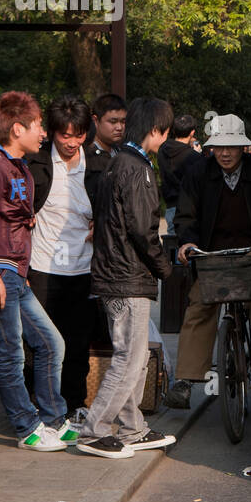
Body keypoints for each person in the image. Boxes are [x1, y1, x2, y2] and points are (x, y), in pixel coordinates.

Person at [0, 91, 74, 451]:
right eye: (39, 125)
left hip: (14, 274)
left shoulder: (20, 168)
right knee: (10, 352)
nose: (43, 132)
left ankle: (52, 419)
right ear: (17, 128)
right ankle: (27, 427)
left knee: (50, 343)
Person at [165, 114, 251, 410]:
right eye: (219, 147)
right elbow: (185, 215)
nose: (226, 153)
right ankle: (185, 379)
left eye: (232, 147)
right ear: (211, 148)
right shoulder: (198, 173)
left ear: (244, 147)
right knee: (200, 304)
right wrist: (188, 242)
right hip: (212, 254)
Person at [80, 97, 178, 458]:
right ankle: (94, 431)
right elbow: (142, 229)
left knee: (133, 357)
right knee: (129, 357)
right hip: (127, 276)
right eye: (163, 132)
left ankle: (134, 429)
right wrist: (164, 268)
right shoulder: (137, 167)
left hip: (115, 273)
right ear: (156, 130)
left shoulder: (117, 163)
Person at [27, 95, 100, 414]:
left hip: (83, 269)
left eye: (78, 134)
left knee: (77, 342)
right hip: (42, 268)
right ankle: (39, 404)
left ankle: (74, 404)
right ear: (53, 133)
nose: (71, 142)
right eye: (64, 135)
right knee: (39, 343)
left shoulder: (98, 164)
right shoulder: (36, 164)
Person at [159, 113, 203, 233]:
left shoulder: (162, 148)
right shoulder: (193, 156)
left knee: (172, 243)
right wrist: (198, 154)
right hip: (187, 207)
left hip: (170, 205)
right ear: (192, 132)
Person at [84, 93, 126, 206]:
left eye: (123, 121)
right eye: (113, 121)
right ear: (95, 120)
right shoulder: (84, 156)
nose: (119, 127)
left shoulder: (123, 153)